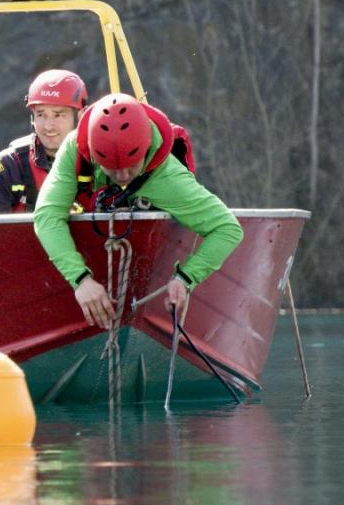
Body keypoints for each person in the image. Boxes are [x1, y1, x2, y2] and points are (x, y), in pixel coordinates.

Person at [32, 92, 243, 328]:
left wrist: (185, 278)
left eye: (131, 167)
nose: (122, 177)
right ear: (93, 152)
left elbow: (227, 229)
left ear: (146, 149)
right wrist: (81, 280)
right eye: (111, 168)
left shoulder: (168, 176)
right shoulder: (74, 150)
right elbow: (46, 217)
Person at [0, 69, 88, 213]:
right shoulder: (9, 166)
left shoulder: (98, 161)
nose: (48, 126)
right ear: (33, 117)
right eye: (41, 114)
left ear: (80, 116)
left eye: (58, 115)